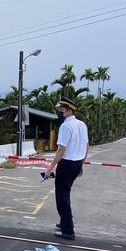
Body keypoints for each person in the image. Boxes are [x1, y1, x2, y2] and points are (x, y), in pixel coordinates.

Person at [44, 97, 89, 241]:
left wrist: (50, 167)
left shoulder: (65, 126)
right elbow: (86, 146)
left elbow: (61, 149)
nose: (60, 113)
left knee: (61, 196)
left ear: (69, 111)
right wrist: (81, 163)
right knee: (66, 194)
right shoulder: (82, 124)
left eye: (62, 110)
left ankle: (68, 230)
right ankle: (65, 221)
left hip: (67, 164)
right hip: (76, 164)